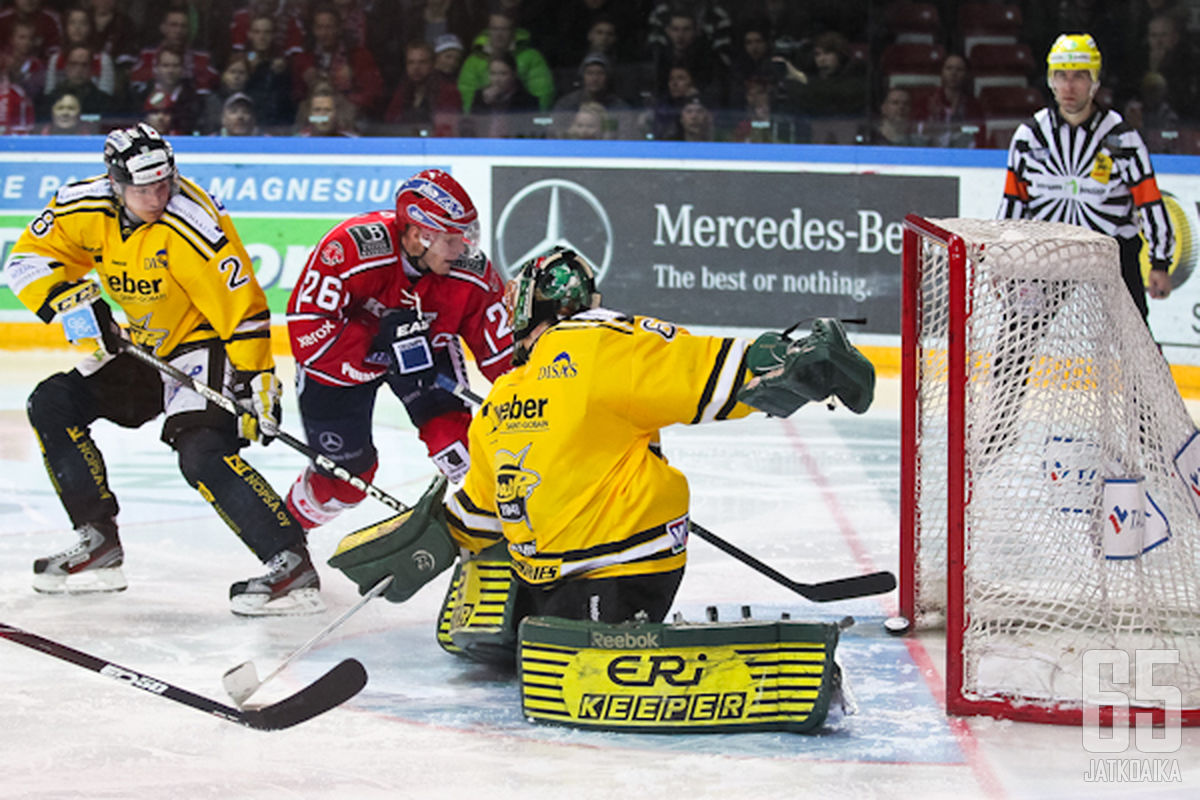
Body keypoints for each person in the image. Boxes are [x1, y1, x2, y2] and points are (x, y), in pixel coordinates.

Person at [326, 246, 874, 648]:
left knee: (564, 647)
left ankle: (620, 633)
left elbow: (705, 367)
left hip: (620, 568)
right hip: (547, 571)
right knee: (536, 645)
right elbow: (486, 505)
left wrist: (792, 359)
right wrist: (434, 538)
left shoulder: (603, 344)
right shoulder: (510, 390)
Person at [1, 123, 320, 616]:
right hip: (143, 345)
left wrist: (258, 377)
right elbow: (24, 261)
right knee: (52, 402)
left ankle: (289, 560)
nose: (157, 196)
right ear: (115, 184)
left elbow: (243, 306)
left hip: (202, 342)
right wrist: (74, 305)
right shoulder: (82, 207)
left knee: (201, 451)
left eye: (164, 184)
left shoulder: (195, 222)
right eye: (144, 188)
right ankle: (98, 541)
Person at [284, 169, 513, 532]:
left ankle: (506, 540)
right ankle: (288, 536)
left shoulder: (469, 272)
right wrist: (376, 345)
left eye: (466, 237)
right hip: (342, 361)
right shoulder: (352, 248)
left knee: (460, 450)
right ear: (421, 235)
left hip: (426, 351)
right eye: (453, 239)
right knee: (347, 480)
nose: (464, 249)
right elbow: (308, 332)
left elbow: (508, 361)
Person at [999, 33, 1174, 322]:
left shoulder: (1122, 138)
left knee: (1135, 346)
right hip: (1047, 256)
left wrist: (1160, 263)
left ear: (1095, 82)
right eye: (1061, 75)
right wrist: (1004, 261)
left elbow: (1150, 202)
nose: (1069, 85)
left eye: (1079, 76)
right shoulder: (1030, 137)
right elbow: (1012, 206)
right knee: (1015, 341)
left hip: (1112, 257)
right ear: (1050, 80)